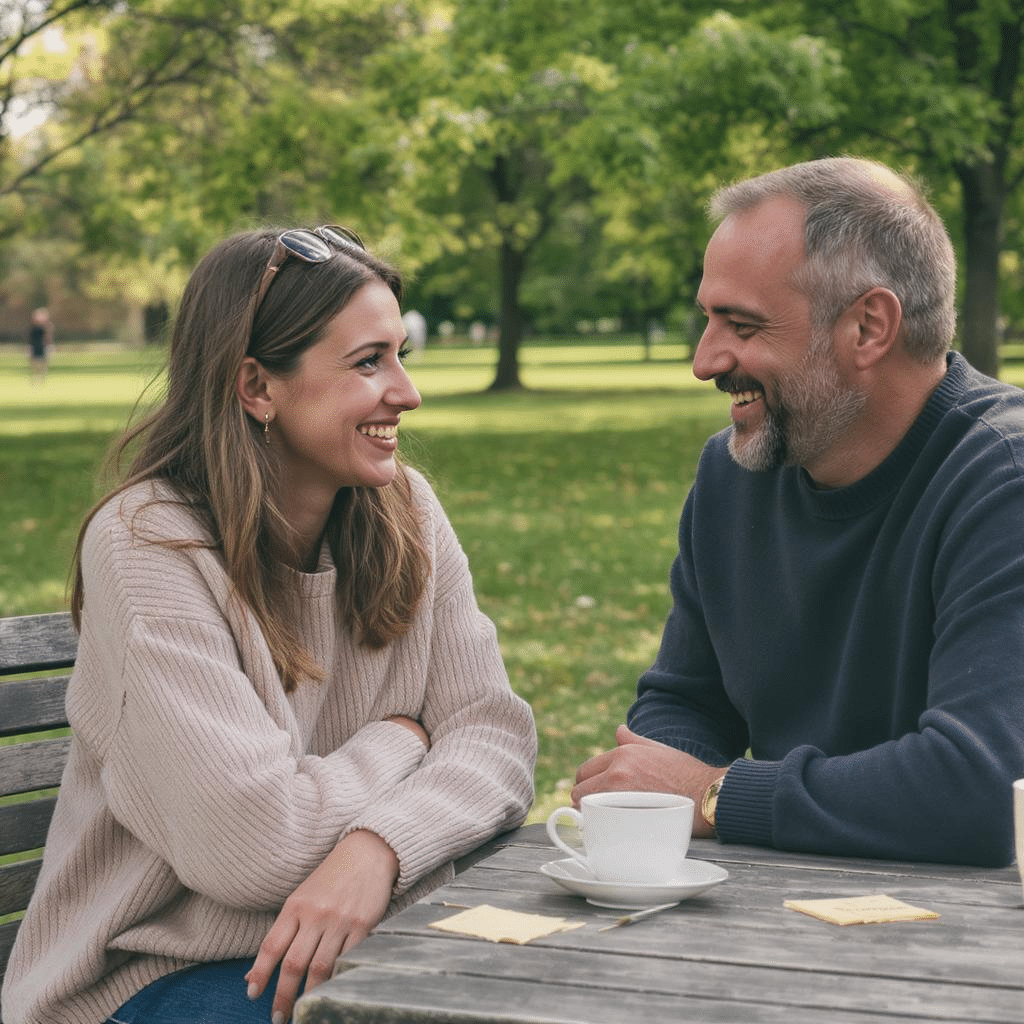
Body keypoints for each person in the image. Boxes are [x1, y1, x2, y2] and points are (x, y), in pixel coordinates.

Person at [1, 225, 537, 1024]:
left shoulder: (407, 513)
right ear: (257, 386)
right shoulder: (149, 545)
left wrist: (377, 850)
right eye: (369, 362)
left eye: (401, 355)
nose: (406, 392)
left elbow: (497, 739)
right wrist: (405, 739)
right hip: (148, 976)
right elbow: (256, 846)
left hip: (361, 943)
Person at [573, 157, 1024, 868]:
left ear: (869, 327)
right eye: (707, 319)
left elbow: (985, 789)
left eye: (742, 325)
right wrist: (652, 791)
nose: (704, 360)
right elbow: (688, 702)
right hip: (784, 907)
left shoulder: (1004, 479)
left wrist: (717, 795)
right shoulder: (732, 474)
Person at [27, 307, 53, 382]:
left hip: (42, 345)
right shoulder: (33, 327)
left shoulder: (46, 327)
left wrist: (49, 344)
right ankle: (35, 377)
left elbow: (48, 336)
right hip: (35, 345)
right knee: (34, 362)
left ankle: (42, 377)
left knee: (43, 362)